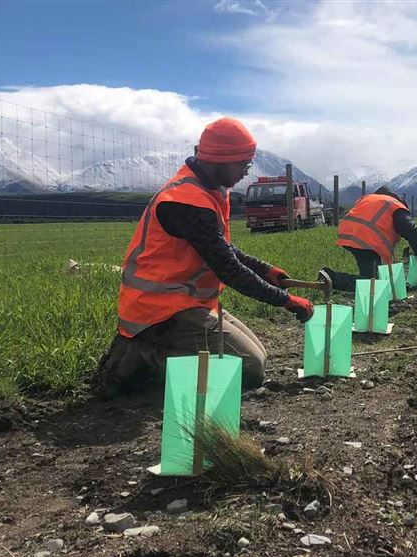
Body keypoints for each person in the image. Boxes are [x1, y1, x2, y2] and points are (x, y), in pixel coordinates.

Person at [93, 118, 313, 398]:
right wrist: (285, 301)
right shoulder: (185, 202)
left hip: (185, 303)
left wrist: (266, 270)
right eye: (243, 165)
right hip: (158, 312)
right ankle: (143, 357)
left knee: (259, 354)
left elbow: (222, 249)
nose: (246, 172)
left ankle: (154, 350)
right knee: (249, 367)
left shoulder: (208, 190)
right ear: (220, 159)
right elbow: (228, 268)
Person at [322, 186, 417, 291]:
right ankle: (333, 279)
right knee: (373, 284)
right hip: (367, 238)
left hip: (348, 232)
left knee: (370, 275)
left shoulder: (370, 199)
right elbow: (411, 230)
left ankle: (332, 280)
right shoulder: (396, 206)